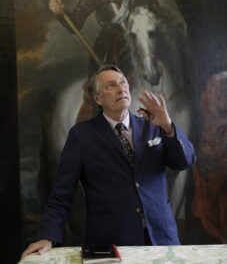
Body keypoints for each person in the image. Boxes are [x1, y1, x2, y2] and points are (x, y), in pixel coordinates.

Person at [21, 64, 196, 259]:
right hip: (111, 243)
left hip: (161, 238)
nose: (121, 88)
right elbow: (62, 194)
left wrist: (168, 126)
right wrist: (47, 235)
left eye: (123, 83)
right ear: (97, 99)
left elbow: (185, 161)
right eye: (110, 86)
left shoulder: (154, 126)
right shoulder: (81, 136)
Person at [49, 0, 164, 114]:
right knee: (103, 96)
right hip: (110, 50)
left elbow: (158, 14)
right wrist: (61, 13)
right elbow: (76, 22)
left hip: (143, 46)